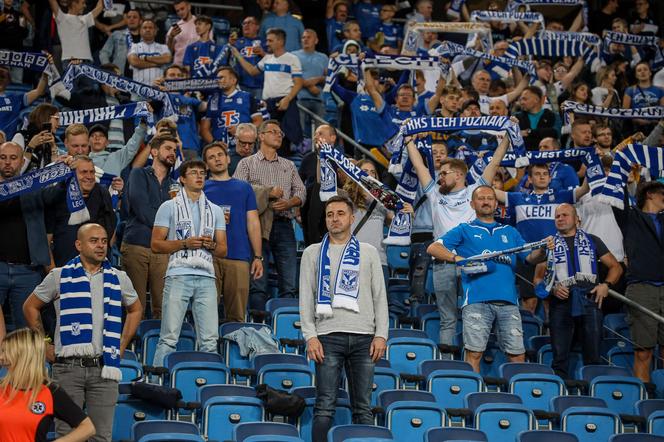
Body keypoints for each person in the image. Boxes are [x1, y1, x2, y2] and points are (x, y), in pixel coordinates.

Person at [23, 223, 142, 442]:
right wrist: (43, 343)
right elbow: (30, 306)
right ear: (78, 245)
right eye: (94, 241)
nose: (101, 246)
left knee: (101, 437)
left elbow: (135, 309)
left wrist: (122, 346)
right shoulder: (59, 276)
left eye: (104, 241)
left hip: (104, 368)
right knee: (67, 436)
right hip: (67, 368)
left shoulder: (119, 277)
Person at [427, 186, 550, 372]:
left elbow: (531, 258)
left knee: (517, 355)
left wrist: (543, 249)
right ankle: (472, 395)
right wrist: (457, 259)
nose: (486, 201)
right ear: (472, 203)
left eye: (490, 198)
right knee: (474, 353)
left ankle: (517, 399)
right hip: (476, 301)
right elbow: (433, 248)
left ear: (496, 203)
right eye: (481, 198)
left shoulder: (510, 231)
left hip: (509, 302)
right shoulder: (464, 229)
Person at [406, 134, 509, 351]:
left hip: (471, 264)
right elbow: (419, 166)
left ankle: (472, 364)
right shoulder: (434, 193)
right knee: (448, 319)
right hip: (442, 264)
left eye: (444, 173)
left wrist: (507, 138)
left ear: (459, 174)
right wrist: (408, 141)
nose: (440, 177)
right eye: (440, 173)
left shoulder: (475, 192)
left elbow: (495, 162)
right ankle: (448, 367)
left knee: (476, 317)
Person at [299, 195, 388, 442]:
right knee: (325, 406)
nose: (334, 219)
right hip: (327, 337)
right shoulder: (312, 253)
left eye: (340, 213)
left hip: (364, 338)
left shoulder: (369, 252)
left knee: (363, 408)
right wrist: (311, 336)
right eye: (330, 214)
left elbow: (380, 296)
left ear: (351, 218)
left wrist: (381, 334)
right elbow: (306, 298)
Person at [151, 160, 227, 367]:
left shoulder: (215, 210)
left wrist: (209, 245)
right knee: (169, 338)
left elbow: (223, 250)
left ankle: (207, 383)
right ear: (182, 179)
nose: (199, 176)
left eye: (202, 173)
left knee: (210, 340)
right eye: (193, 173)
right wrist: (185, 243)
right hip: (178, 274)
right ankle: (156, 384)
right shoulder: (168, 206)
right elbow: (156, 245)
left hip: (207, 276)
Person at [535, 204, 623, 379]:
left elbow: (616, 267)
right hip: (560, 302)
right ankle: (561, 397)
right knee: (559, 357)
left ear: (577, 219)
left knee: (594, 354)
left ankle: (594, 396)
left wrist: (606, 285)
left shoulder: (593, 240)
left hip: (589, 299)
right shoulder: (548, 245)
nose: (560, 219)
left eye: (565, 215)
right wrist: (552, 289)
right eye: (557, 216)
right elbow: (537, 279)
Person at [233, 120, 306, 310]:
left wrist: (290, 202)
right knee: (258, 283)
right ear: (261, 136)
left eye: (280, 132)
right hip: (255, 226)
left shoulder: (289, 165)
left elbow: (301, 191)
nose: (278, 135)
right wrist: (267, 192)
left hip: (283, 224)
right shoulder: (247, 163)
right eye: (273, 131)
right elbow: (238, 190)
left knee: (289, 283)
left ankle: (285, 331)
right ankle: (258, 325)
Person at [0, 328, 96, 441]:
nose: (1, 357)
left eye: (6, 351)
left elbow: (88, 428)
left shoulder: (51, 392)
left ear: (23, 355)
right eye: (1, 351)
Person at [203, 142, 263, 323]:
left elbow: (253, 223)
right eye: (211, 157)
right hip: (207, 257)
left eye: (220, 155)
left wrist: (258, 257)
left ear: (228, 159)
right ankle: (207, 351)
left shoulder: (244, 188)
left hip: (238, 257)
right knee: (206, 314)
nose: (217, 159)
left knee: (237, 316)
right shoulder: (201, 189)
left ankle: (233, 351)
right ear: (206, 165)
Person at [612, 180, 664, 383]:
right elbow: (616, 197)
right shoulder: (630, 217)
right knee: (644, 352)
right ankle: (646, 400)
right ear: (650, 194)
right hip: (642, 288)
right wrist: (620, 171)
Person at [122, 135, 177, 319]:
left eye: (175, 150)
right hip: (137, 244)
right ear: (154, 152)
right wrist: (165, 227)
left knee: (162, 306)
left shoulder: (175, 185)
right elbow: (141, 207)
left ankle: (156, 347)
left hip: (162, 250)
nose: (173, 153)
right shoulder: (138, 174)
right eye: (168, 148)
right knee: (134, 304)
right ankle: (130, 345)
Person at [0, 142, 52, 329]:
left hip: (27, 272)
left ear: (22, 161)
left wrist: (65, 174)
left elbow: (53, 195)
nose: (7, 162)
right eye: (3, 157)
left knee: (27, 330)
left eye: (13, 158)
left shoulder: (33, 187)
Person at [232, 28, 304, 153]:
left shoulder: (292, 58)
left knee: (287, 136)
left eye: (270, 40)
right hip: (269, 104)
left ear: (280, 41)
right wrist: (238, 56)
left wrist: (287, 99)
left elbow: (299, 82)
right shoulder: (267, 59)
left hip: (285, 101)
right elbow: (252, 71)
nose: (267, 43)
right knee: (271, 137)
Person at [46, 156, 116, 267]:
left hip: (96, 271)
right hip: (64, 269)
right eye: (83, 172)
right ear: (72, 174)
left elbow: (110, 234)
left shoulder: (102, 193)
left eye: (92, 172)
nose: (89, 176)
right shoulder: (58, 195)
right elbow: (46, 241)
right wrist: (52, 272)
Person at [200, 67, 262, 173]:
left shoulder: (247, 96)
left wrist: (242, 131)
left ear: (233, 80)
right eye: (217, 78)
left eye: (222, 77)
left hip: (243, 148)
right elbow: (204, 128)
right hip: (220, 150)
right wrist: (215, 143)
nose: (219, 80)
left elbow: (259, 121)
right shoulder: (213, 99)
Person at [293, 30, 329, 138]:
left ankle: (320, 154)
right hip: (299, 99)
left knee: (321, 133)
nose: (305, 39)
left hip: (319, 99)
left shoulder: (323, 57)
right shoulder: (293, 56)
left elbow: (329, 78)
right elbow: (291, 77)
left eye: (309, 37)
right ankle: (299, 154)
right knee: (300, 132)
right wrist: (309, 85)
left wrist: (318, 79)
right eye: (303, 37)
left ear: (316, 40)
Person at [47, 0, 103, 65]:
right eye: (83, 3)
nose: (85, 6)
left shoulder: (85, 19)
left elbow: (101, 6)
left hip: (88, 63)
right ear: (74, 3)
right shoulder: (62, 18)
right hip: (70, 62)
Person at [0, 65, 48, 140]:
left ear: (8, 80)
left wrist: (45, 74)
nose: (0, 80)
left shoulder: (15, 99)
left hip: (8, 144)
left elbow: (39, 91)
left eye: (2, 77)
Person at [127, 19, 172, 86]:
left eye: (150, 27)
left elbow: (167, 59)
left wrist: (144, 58)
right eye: (145, 28)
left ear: (155, 31)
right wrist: (157, 64)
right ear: (140, 31)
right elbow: (134, 62)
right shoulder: (134, 46)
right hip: (138, 90)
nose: (148, 30)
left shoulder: (163, 47)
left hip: (158, 89)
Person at [99, 8, 142, 77]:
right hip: (119, 76)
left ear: (140, 21)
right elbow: (104, 52)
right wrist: (109, 68)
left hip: (140, 78)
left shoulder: (146, 38)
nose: (131, 19)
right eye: (129, 17)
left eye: (135, 17)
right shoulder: (117, 34)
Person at [514, 86, 558, 151]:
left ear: (536, 100)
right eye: (520, 100)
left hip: (546, 155)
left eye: (525, 99)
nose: (521, 102)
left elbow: (555, 133)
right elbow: (514, 136)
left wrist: (529, 132)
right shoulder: (516, 117)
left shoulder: (552, 115)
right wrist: (541, 133)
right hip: (524, 156)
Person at [232, 16, 265, 100]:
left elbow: (273, 60)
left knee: (259, 111)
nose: (246, 25)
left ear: (257, 26)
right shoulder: (237, 42)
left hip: (260, 85)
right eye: (244, 23)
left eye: (249, 23)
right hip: (242, 84)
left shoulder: (265, 42)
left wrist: (263, 53)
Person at [166, 0, 206, 66]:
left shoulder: (202, 25)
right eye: (177, 11)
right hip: (179, 66)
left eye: (182, 9)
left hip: (197, 65)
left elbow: (208, 46)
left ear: (189, 7)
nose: (180, 12)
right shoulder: (174, 28)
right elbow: (169, 52)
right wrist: (171, 37)